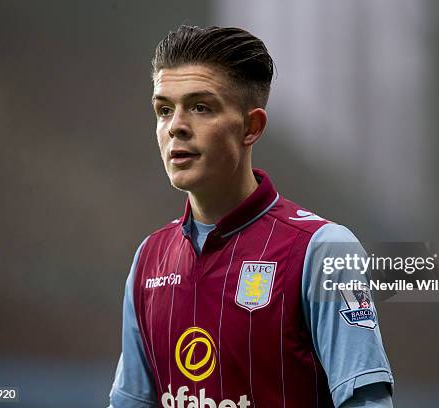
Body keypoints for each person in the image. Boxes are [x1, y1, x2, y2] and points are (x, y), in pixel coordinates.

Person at [108, 25, 393, 408]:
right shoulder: (149, 258)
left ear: (251, 127)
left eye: (200, 107)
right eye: (164, 109)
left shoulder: (323, 251)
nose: (175, 125)